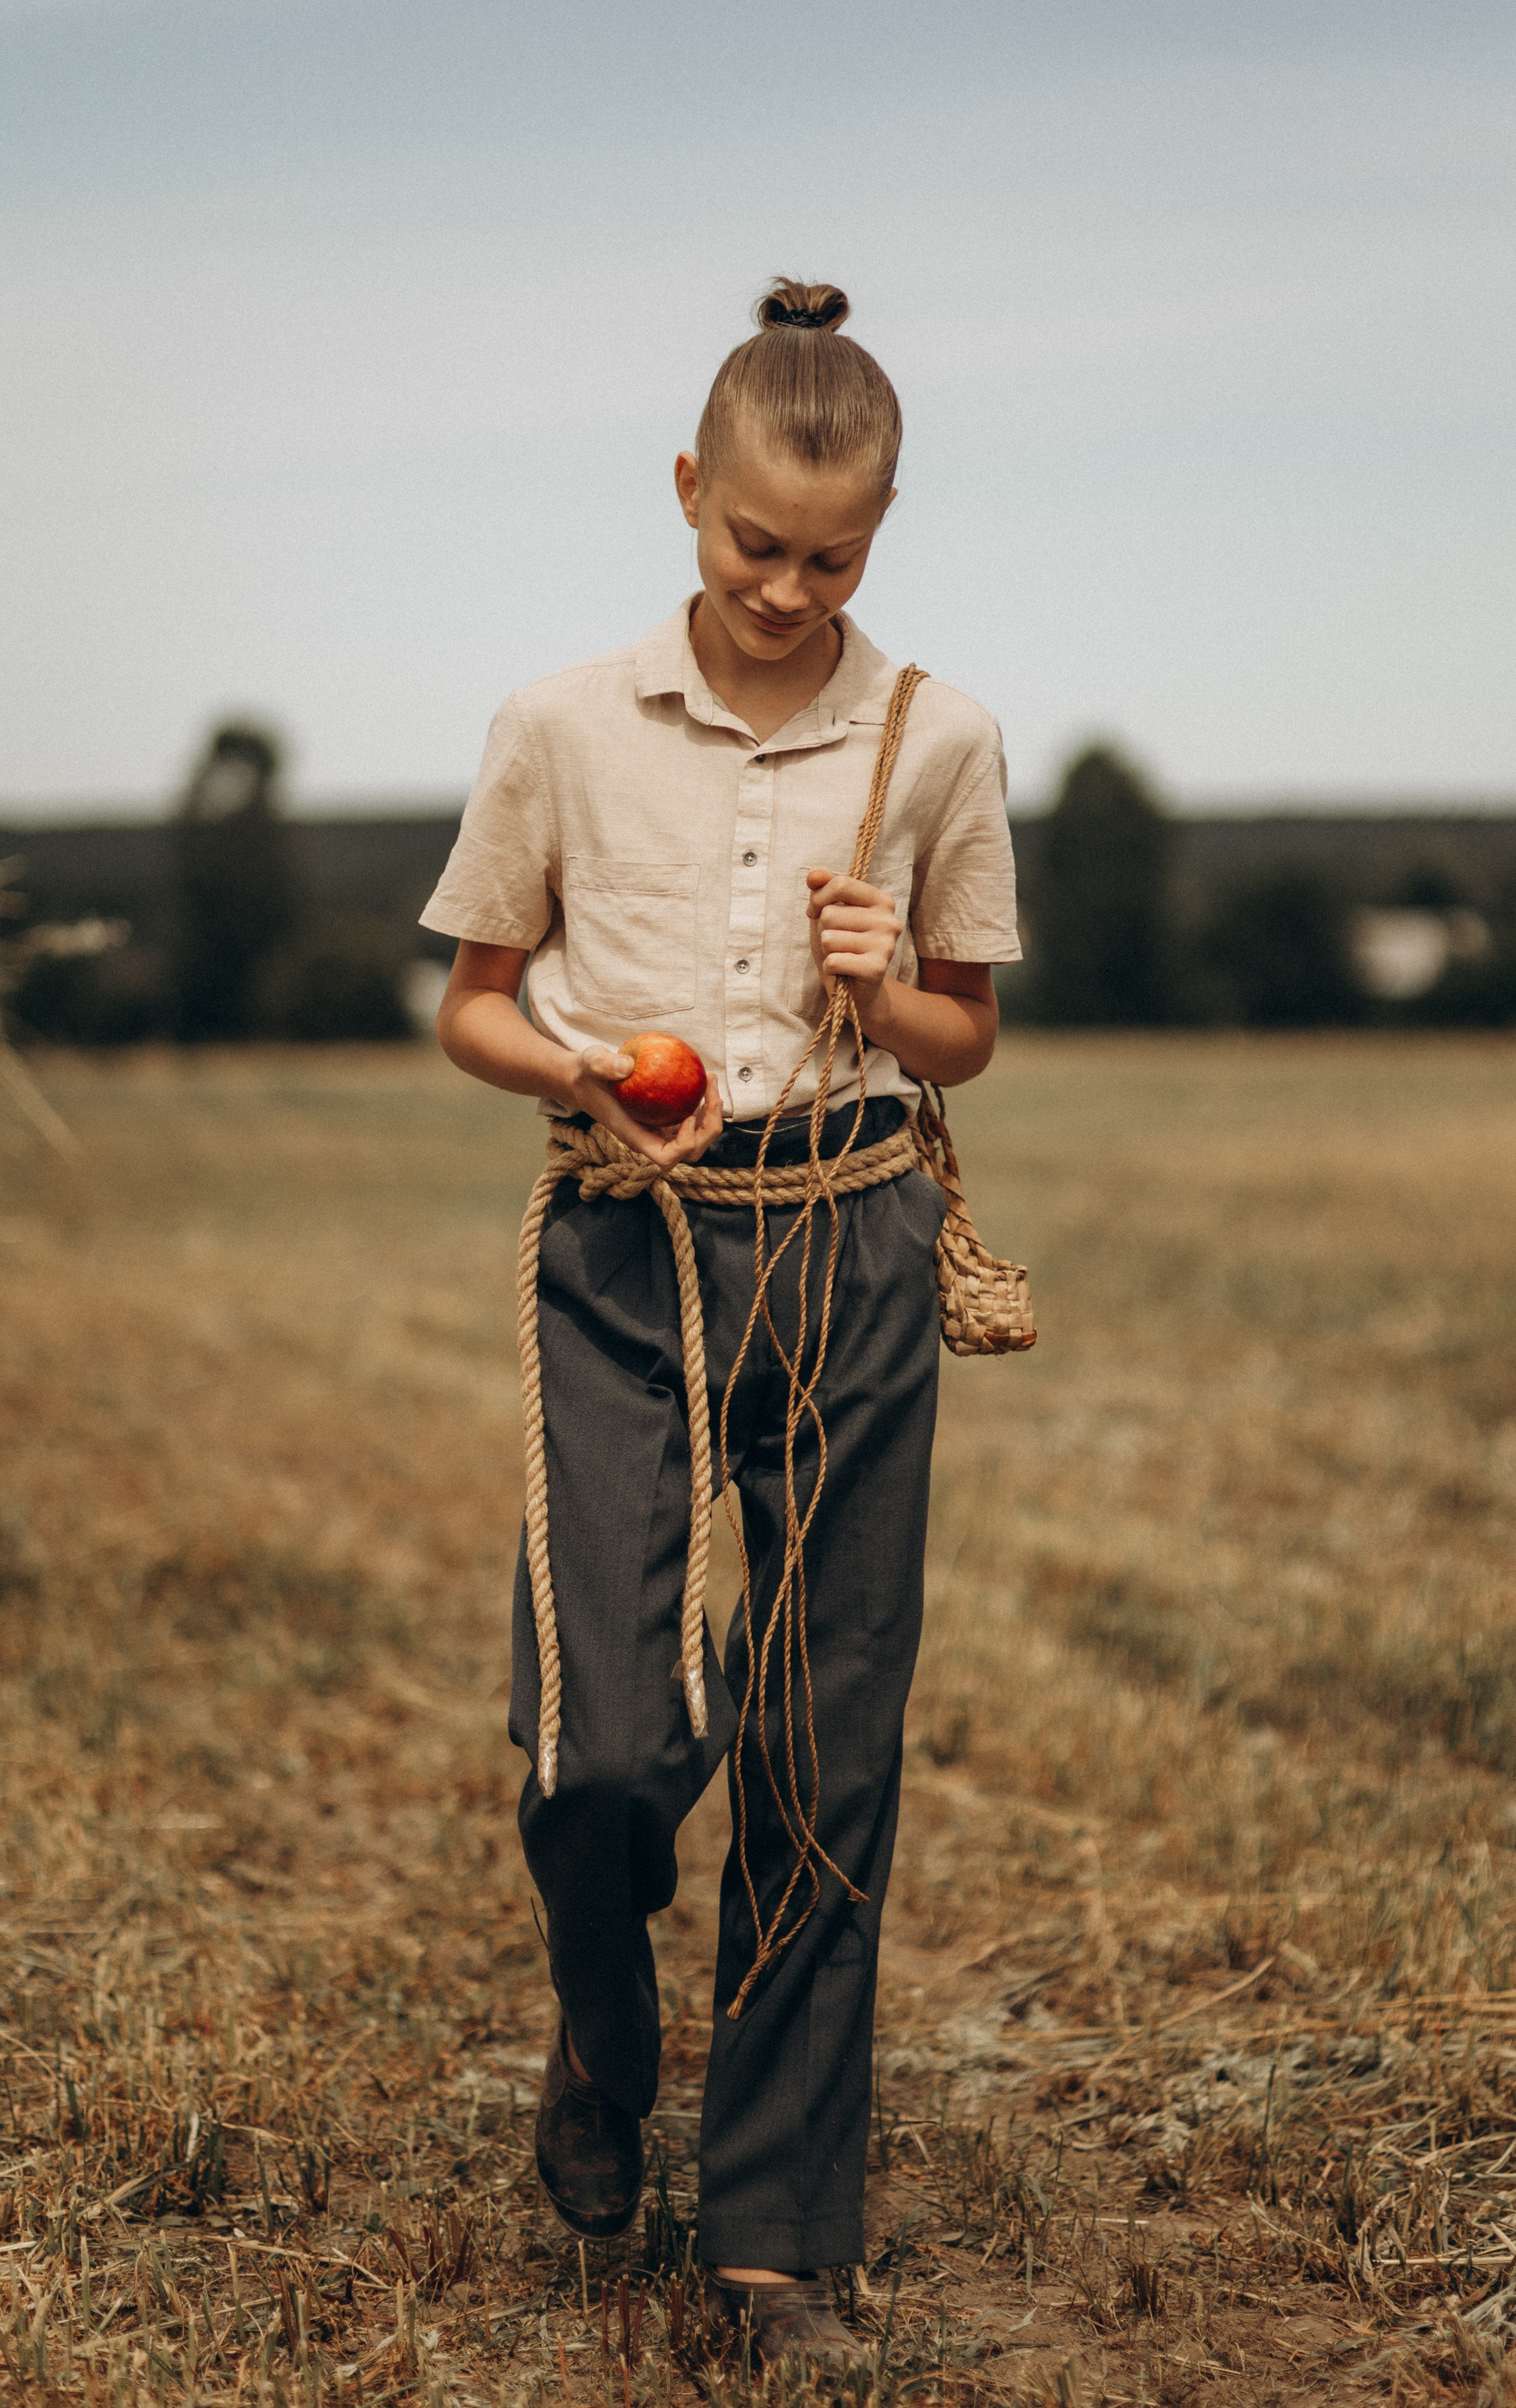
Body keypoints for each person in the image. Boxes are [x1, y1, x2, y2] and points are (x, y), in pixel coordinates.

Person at [422, 278, 1020, 2369]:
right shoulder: (559, 727)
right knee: (603, 1747)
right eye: (756, 542)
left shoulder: (944, 738)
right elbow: (471, 1007)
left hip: (853, 1240)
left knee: (818, 1744)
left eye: (831, 559)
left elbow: (969, 1034)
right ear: (689, 488)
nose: (786, 589)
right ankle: (605, 2022)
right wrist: (581, 1066)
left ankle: (773, 2238)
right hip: (627, 1251)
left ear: (881, 533)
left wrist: (891, 983)